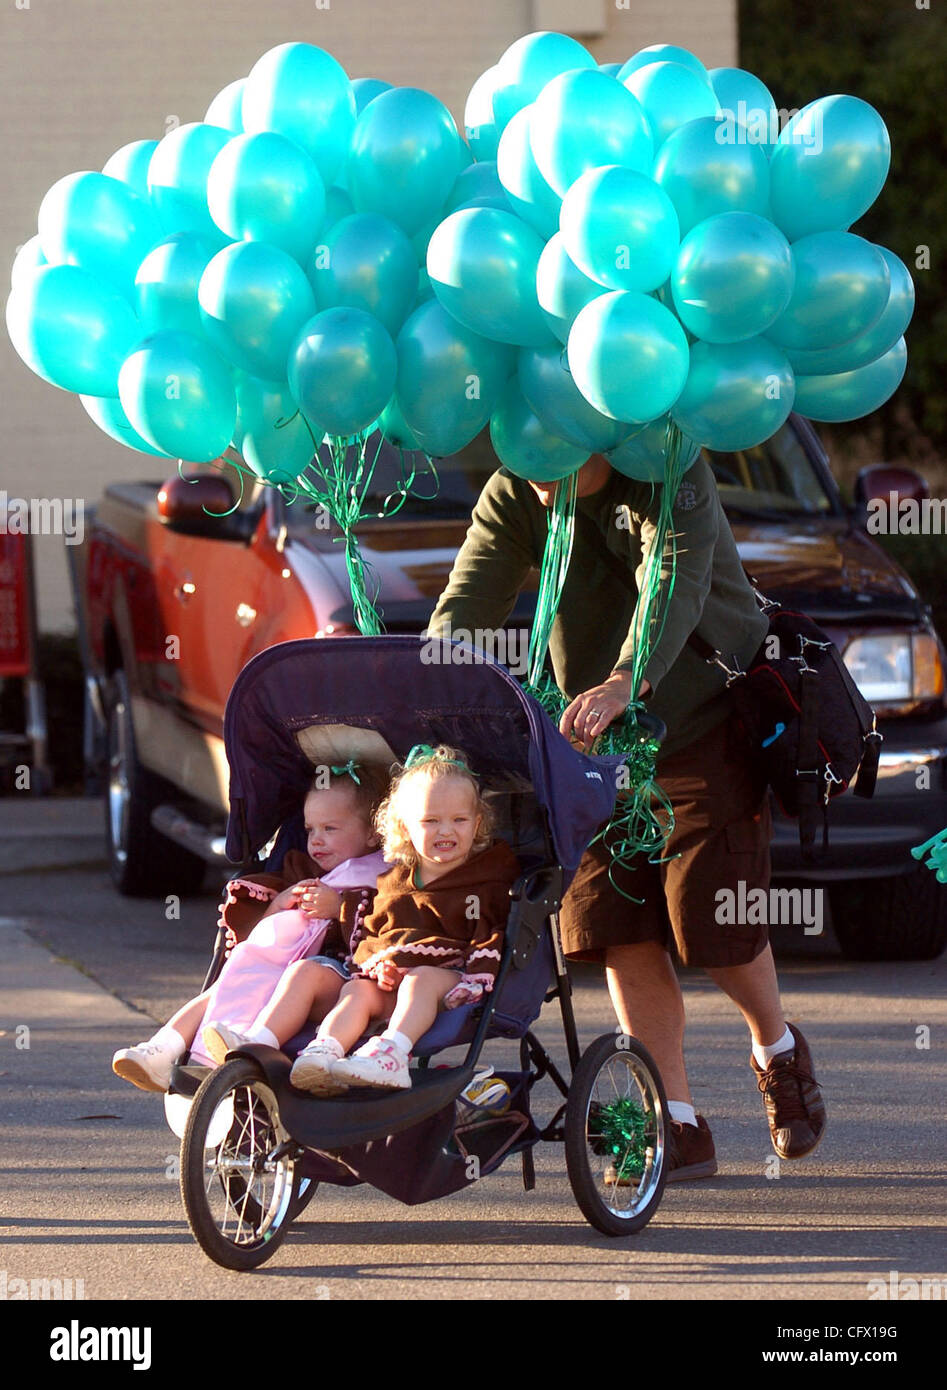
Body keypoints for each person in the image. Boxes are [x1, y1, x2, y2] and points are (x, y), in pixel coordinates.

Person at [424, 451, 826, 1178]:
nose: (536, 481)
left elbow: (670, 582)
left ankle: (776, 1049)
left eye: (550, 459)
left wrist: (622, 680)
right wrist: (424, 679)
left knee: (714, 921)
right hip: (586, 740)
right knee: (615, 922)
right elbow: (467, 603)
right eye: (522, 458)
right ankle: (676, 1121)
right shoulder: (520, 485)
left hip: (696, 717)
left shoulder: (668, 467)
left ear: (596, 430)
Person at [111, 762, 390, 1092]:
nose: (316, 841)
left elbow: (391, 931)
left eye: (330, 829)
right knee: (230, 979)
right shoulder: (303, 869)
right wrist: (278, 905)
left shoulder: (384, 878)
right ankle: (163, 1048)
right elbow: (269, 938)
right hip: (284, 974)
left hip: (345, 982)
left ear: (373, 831)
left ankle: (257, 1045)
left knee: (306, 972)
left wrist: (341, 909)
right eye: (310, 829)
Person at [276, 743, 520, 1094]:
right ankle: (324, 1051)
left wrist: (475, 978)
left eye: (459, 820)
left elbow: (490, 931)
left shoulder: (486, 876)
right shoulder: (396, 880)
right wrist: (378, 965)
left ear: (477, 822)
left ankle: (392, 1052)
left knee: (420, 979)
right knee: (357, 989)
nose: (446, 832)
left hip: (449, 980)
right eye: (431, 821)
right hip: (393, 984)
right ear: (405, 827)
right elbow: (377, 930)